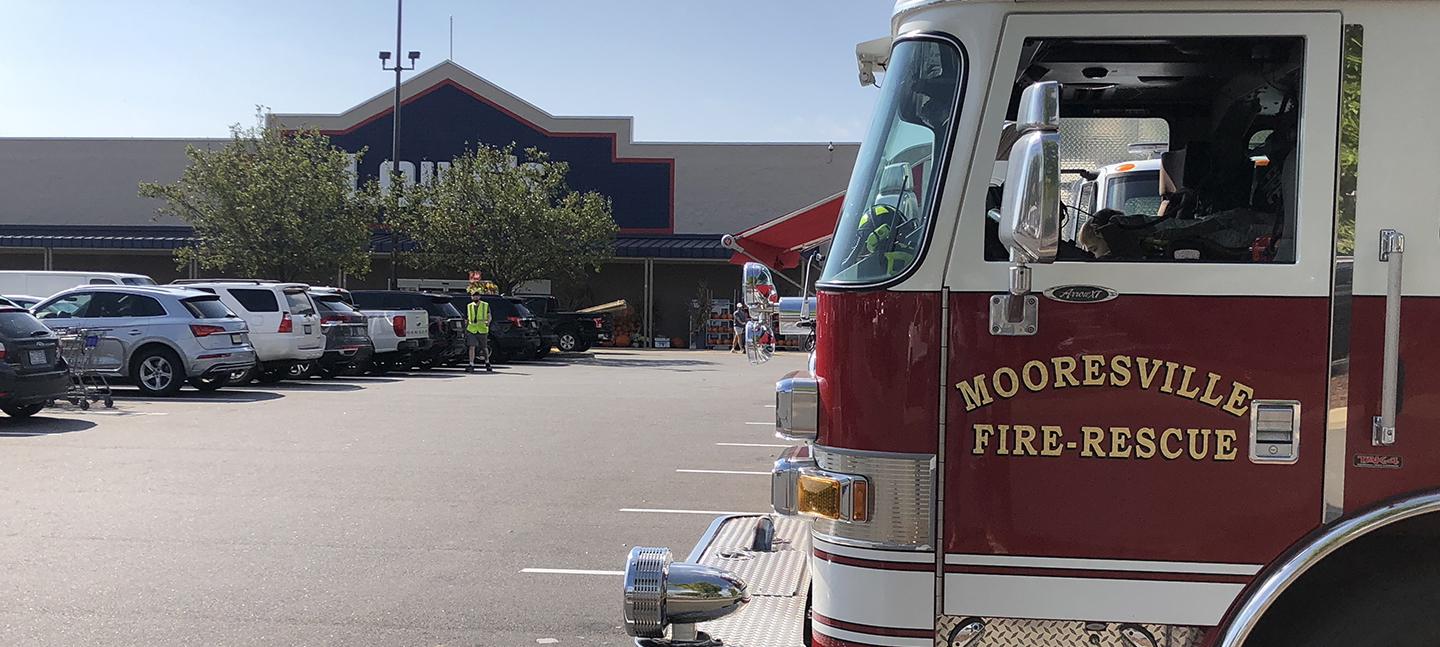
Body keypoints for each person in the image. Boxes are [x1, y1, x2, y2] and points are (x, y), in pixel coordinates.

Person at [465, 292, 492, 373]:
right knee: (471, 346)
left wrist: (488, 321)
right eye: (473, 296)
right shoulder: (469, 306)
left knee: (484, 347)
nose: (475, 297)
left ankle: (487, 362)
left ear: (479, 296)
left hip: (482, 328)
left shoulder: (485, 305)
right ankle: (471, 364)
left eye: (476, 296)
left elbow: (489, 315)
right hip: (472, 329)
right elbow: (468, 317)